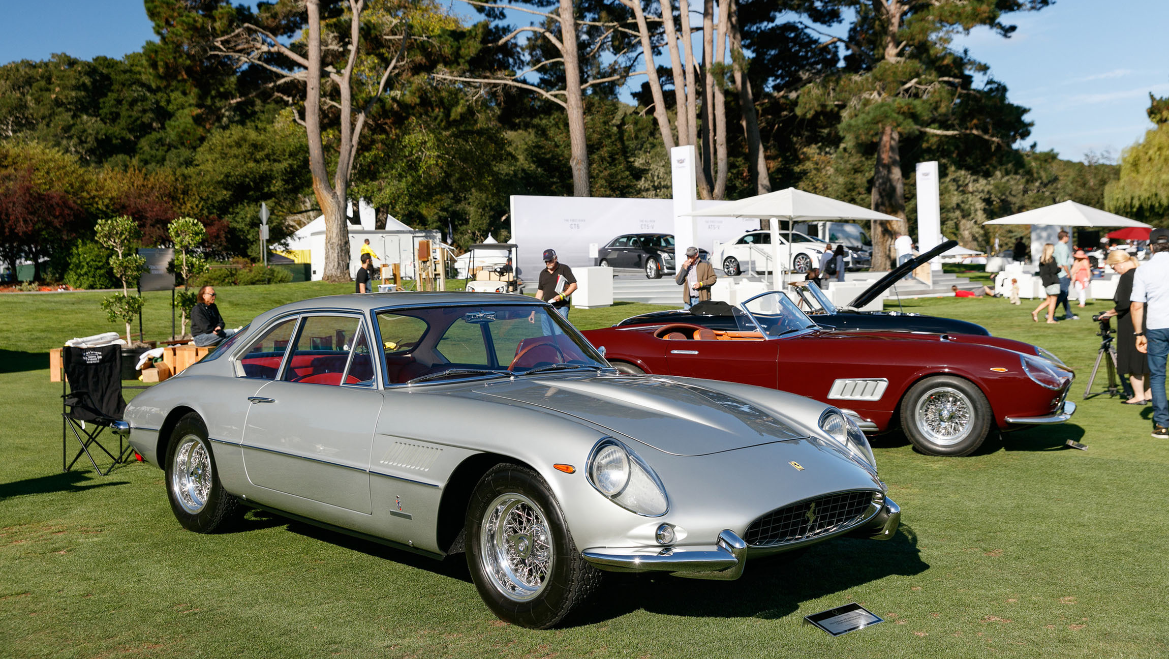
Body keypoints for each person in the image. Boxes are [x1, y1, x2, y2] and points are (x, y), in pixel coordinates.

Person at [1130, 227, 1169, 438]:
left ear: (1152, 246)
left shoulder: (1144, 269)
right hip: (1159, 326)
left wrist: (1138, 334)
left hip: (1157, 326)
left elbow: (1137, 305)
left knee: (1158, 376)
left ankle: (1162, 424)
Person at [1099, 250, 1151, 405]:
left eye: (1113, 266)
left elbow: (1124, 303)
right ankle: (1149, 393)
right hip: (1148, 318)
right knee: (1146, 358)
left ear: (1119, 263)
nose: (1114, 270)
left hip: (1131, 321)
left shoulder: (1127, 276)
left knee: (1132, 357)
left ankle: (1138, 395)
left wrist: (1110, 313)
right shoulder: (1143, 273)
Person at [534, 249, 577, 318]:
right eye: (546, 261)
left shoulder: (564, 268)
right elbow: (540, 291)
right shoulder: (543, 273)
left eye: (550, 260)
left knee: (559, 329)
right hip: (547, 308)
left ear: (555, 258)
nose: (548, 263)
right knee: (546, 329)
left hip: (562, 307)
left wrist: (561, 296)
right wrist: (533, 311)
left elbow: (574, 285)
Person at [1032, 243, 1060, 324]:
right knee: (1053, 301)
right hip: (1053, 282)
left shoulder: (1041, 260)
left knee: (1048, 300)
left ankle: (1036, 311)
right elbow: (1054, 271)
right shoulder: (1052, 259)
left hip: (1046, 282)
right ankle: (1050, 319)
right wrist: (1059, 268)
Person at [1054, 230, 1077, 320]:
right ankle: (1050, 312)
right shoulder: (1063, 247)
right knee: (1062, 294)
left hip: (1058, 273)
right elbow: (1064, 263)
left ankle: (1069, 314)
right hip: (1064, 274)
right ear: (1065, 237)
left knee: (1064, 295)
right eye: (1068, 237)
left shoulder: (1056, 247)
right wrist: (1069, 274)